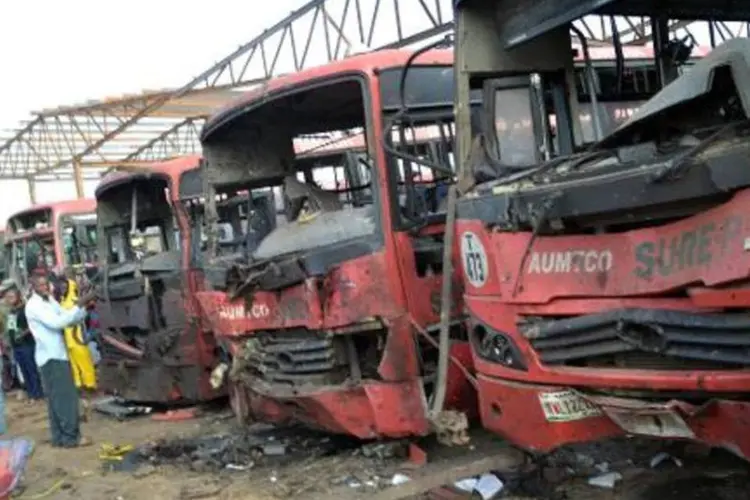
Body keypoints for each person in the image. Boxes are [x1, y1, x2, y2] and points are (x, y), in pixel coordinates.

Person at [25, 273, 95, 448]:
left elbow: (67, 316)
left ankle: (60, 437)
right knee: (65, 398)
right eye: (40, 285)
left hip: (56, 355)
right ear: (33, 287)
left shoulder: (49, 300)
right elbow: (58, 322)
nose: (45, 287)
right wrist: (78, 305)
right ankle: (72, 437)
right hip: (52, 357)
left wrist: (81, 308)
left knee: (56, 400)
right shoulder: (34, 305)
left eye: (46, 284)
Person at [58, 272, 97, 420]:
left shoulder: (75, 300)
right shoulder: (62, 301)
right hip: (68, 340)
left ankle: (90, 386)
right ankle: (79, 385)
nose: (62, 289)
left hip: (77, 337)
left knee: (85, 363)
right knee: (74, 365)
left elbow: (81, 317)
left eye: (64, 286)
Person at [2, 285, 43, 401]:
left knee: (31, 369)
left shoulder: (25, 309)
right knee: (24, 370)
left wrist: (23, 334)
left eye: (12, 297)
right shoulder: (11, 311)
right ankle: (31, 394)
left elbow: (32, 326)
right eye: (8, 297)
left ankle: (37, 394)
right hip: (16, 346)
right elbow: (11, 328)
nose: (9, 299)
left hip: (26, 344)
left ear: (18, 297)